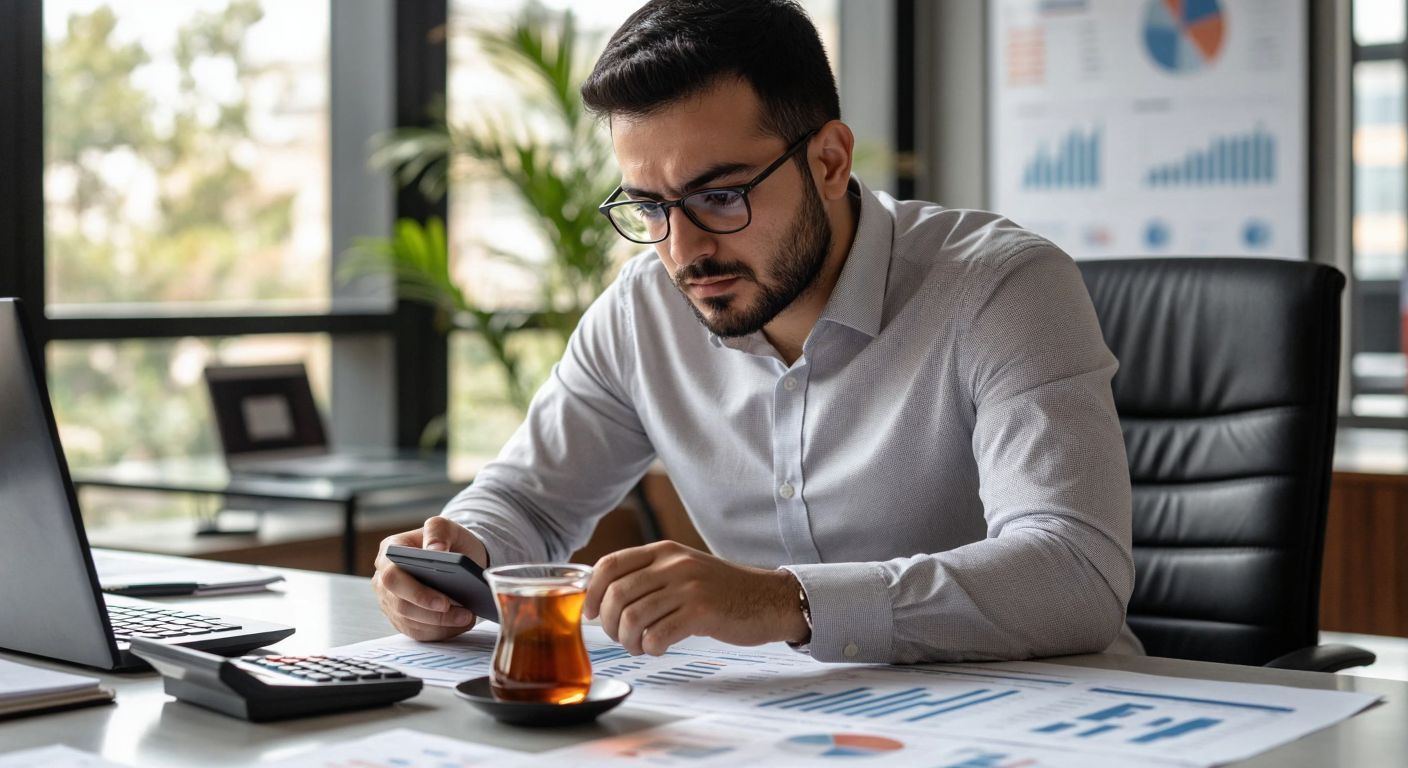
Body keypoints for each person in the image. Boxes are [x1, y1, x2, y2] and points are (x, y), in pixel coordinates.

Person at [373, 0, 1142, 664]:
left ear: (831, 160)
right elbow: (531, 507)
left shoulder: (1001, 288)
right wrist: (457, 553)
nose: (683, 250)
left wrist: (783, 603)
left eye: (720, 195)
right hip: (774, 725)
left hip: (1043, 719)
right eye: (649, 206)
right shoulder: (644, 310)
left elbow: (1074, 572)